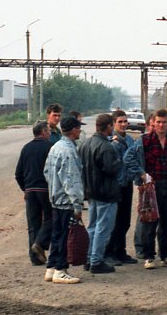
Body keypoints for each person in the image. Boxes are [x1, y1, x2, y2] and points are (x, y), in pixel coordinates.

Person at [125, 109, 167, 270]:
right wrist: (142, 174)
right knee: (149, 222)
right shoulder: (144, 140)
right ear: (153, 123)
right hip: (150, 188)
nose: (161, 125)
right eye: (158, 122)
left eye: (164, 122)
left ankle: (166, 255)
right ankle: (148, 256)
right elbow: (128, 158)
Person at [78, 113, 124, 274]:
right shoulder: (106, 147)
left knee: (92, 226)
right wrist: (119, 158)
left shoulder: (86, 143)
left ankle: (89, 258)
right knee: (103, 228)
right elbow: (112, 169)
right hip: (106, 192)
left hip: (91, 191)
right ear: (109, 127)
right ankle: (96, 260)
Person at [43, 116, 85, 284]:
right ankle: (61, 269)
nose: (80, 131)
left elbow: (47, 172)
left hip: (55, 197)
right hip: (66, 200)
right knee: (65, 236)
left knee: (57, 234)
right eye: (79, 128)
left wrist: (54, 189)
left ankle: (51, 267)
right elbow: (72, 180)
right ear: (73, 129)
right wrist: (78, 204)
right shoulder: (69, 151)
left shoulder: (56, 147)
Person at [15, 121, 53, 266]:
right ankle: (40, 243)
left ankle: (35, 258)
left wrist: (25, 189)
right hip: (45, 190)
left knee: (33, 223)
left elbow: (18, 173)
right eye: (48, 131)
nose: (49, 133)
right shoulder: (50, 147)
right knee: (51, 218)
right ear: (43, 132)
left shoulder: (26, 148)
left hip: (30, 191)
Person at [104, 109, 138, 265]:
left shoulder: (130, 140)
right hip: (114, 185)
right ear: (113, 124)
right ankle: (109, 252)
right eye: (120, 122)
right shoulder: (109, 141)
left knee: (125, 221)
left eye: (125, 121)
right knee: (113, 221)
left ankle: (121, 251)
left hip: (127, 184)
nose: (123, 124)